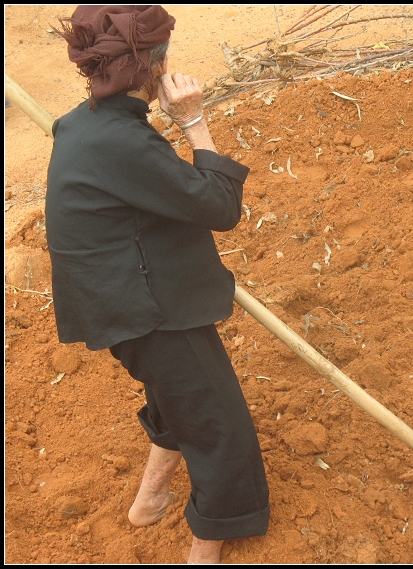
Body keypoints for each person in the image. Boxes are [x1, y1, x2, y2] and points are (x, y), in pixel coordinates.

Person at [46, 6, 269, 563]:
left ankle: (150, 500)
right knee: (220, 427)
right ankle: (206, 548)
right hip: (147, 308)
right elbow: (219, 206)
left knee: (181, 391)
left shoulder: (79, 125)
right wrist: (194, 120)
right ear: (155, 67)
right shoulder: (124, 142)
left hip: (112, 297)